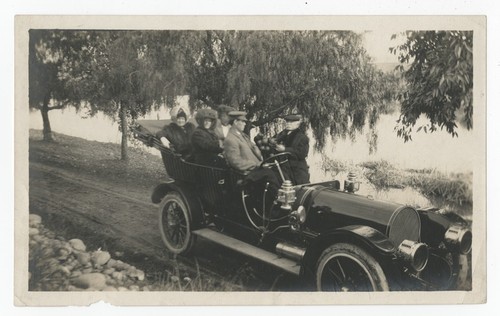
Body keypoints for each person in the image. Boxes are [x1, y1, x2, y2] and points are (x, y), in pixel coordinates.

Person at [271, 114, 310, 184]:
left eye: (291, 122)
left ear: (298, 124)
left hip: (297, 171)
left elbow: (302, 153)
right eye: (287, 122)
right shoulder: (282, 135)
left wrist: (285, 149)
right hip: (284, 170)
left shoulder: (302, 137)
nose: (288, 124)